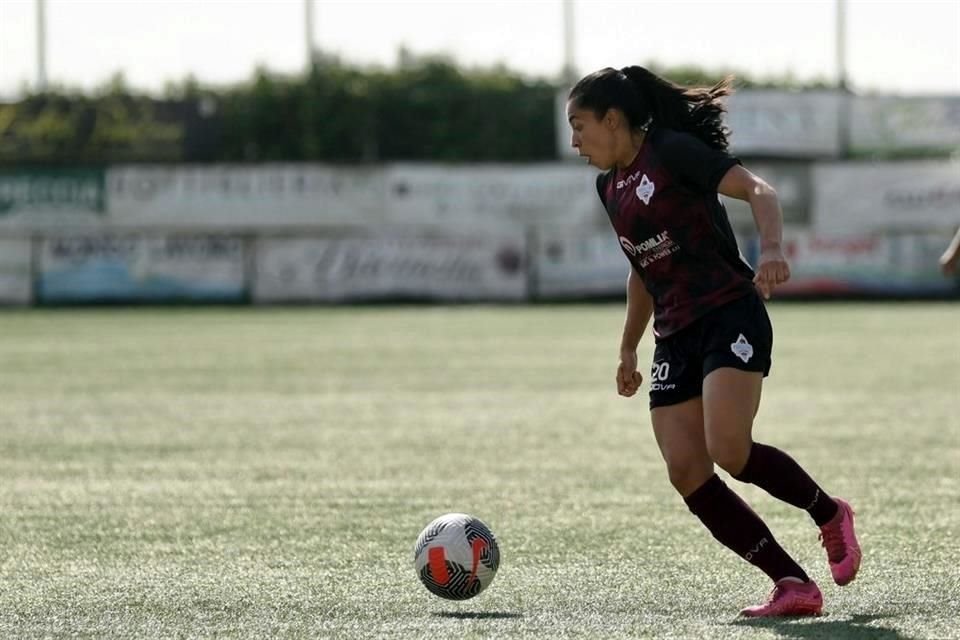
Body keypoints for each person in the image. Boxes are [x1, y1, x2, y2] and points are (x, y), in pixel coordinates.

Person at [566, 66, 861, 617]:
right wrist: (628, 347)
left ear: (612, 119)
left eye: (579, 126)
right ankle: (793, 583)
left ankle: (829, 512)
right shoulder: (609, 187)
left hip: (729, 314)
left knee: (729, 448)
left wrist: (772, 249)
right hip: (674, 335)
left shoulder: (672, 151)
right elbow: (642, 268)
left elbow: (758, 189)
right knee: (686, 470)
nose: (575, 141)